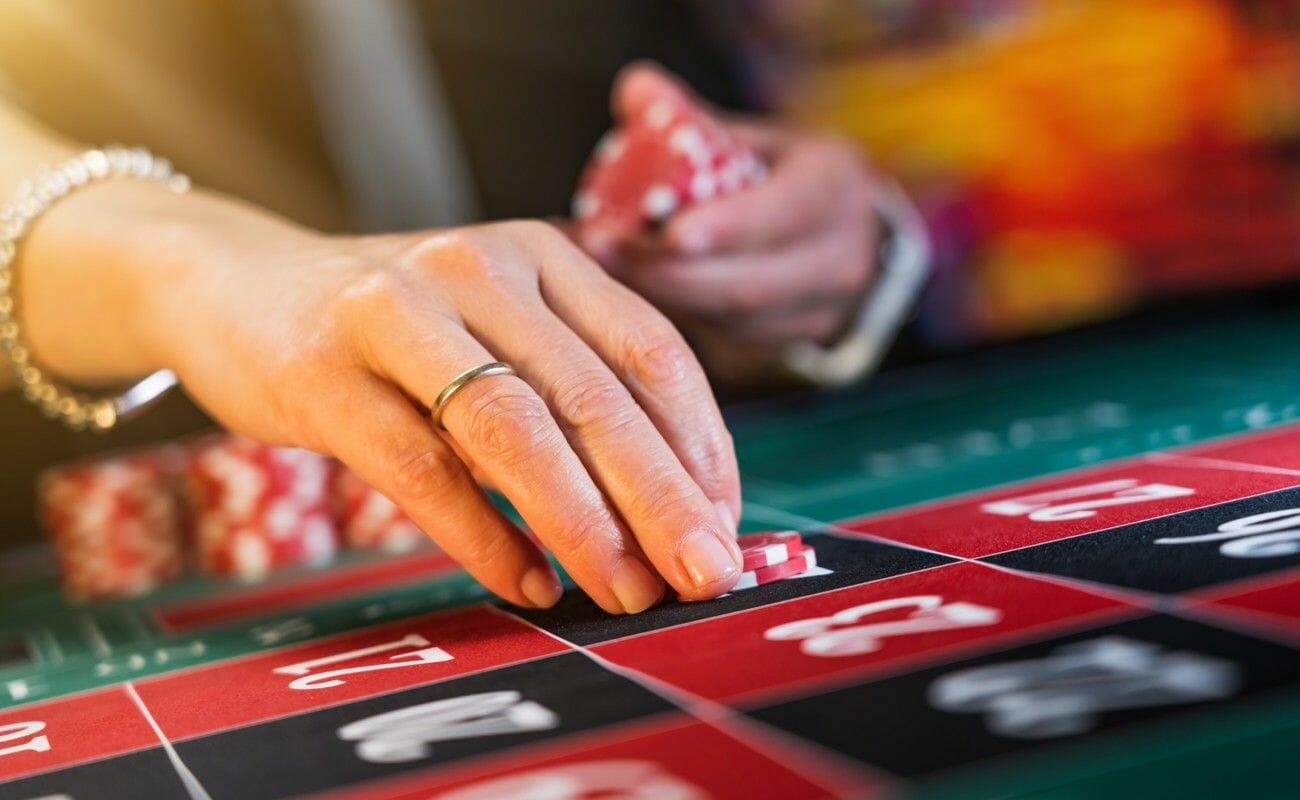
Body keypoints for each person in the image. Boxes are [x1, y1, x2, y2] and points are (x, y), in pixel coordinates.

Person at [0, 2, 890, 615]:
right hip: (133, 545)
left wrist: (832, 242)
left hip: (744, 441)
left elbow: (699, 118)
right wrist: (182, 269)